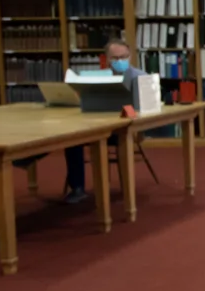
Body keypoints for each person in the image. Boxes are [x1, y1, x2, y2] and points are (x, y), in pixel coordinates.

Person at [58, 39, 145, 203]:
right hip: (95, 124)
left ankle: (122, 189)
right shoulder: (97, 78)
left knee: (106, 139)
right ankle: (77, 188)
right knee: (72, 139)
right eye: (115, 58)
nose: (119, 61)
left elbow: (146, 106)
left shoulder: (141, 77)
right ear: (106, 59)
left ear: (130, 56)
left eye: (123, 57)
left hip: (122, 128)